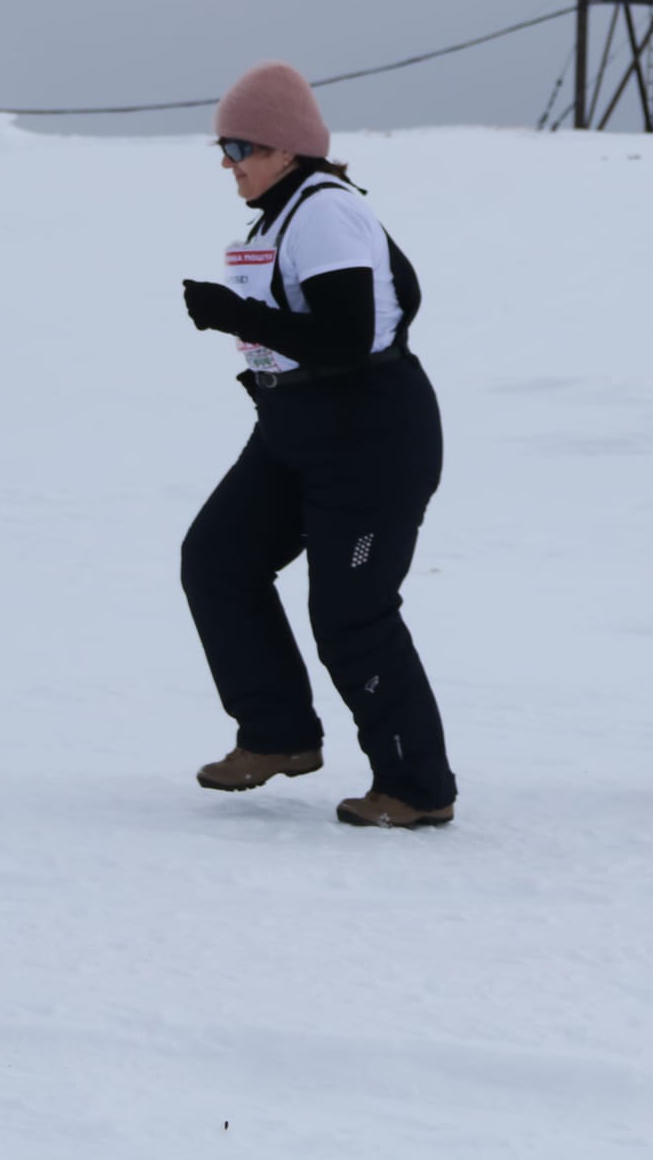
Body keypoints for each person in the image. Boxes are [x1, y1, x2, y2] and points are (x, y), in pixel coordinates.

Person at [177, 61, 458, 829]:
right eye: (222, 149)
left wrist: (237, 315)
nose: (229, 163)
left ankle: (417, 785)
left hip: (369, 435)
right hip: (295, 429)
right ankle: (277, 734)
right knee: (217, 559)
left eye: (240, 146)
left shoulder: (325, 212)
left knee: (352, 612)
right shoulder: (277, 215)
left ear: (286, 146)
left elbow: (346, 335)